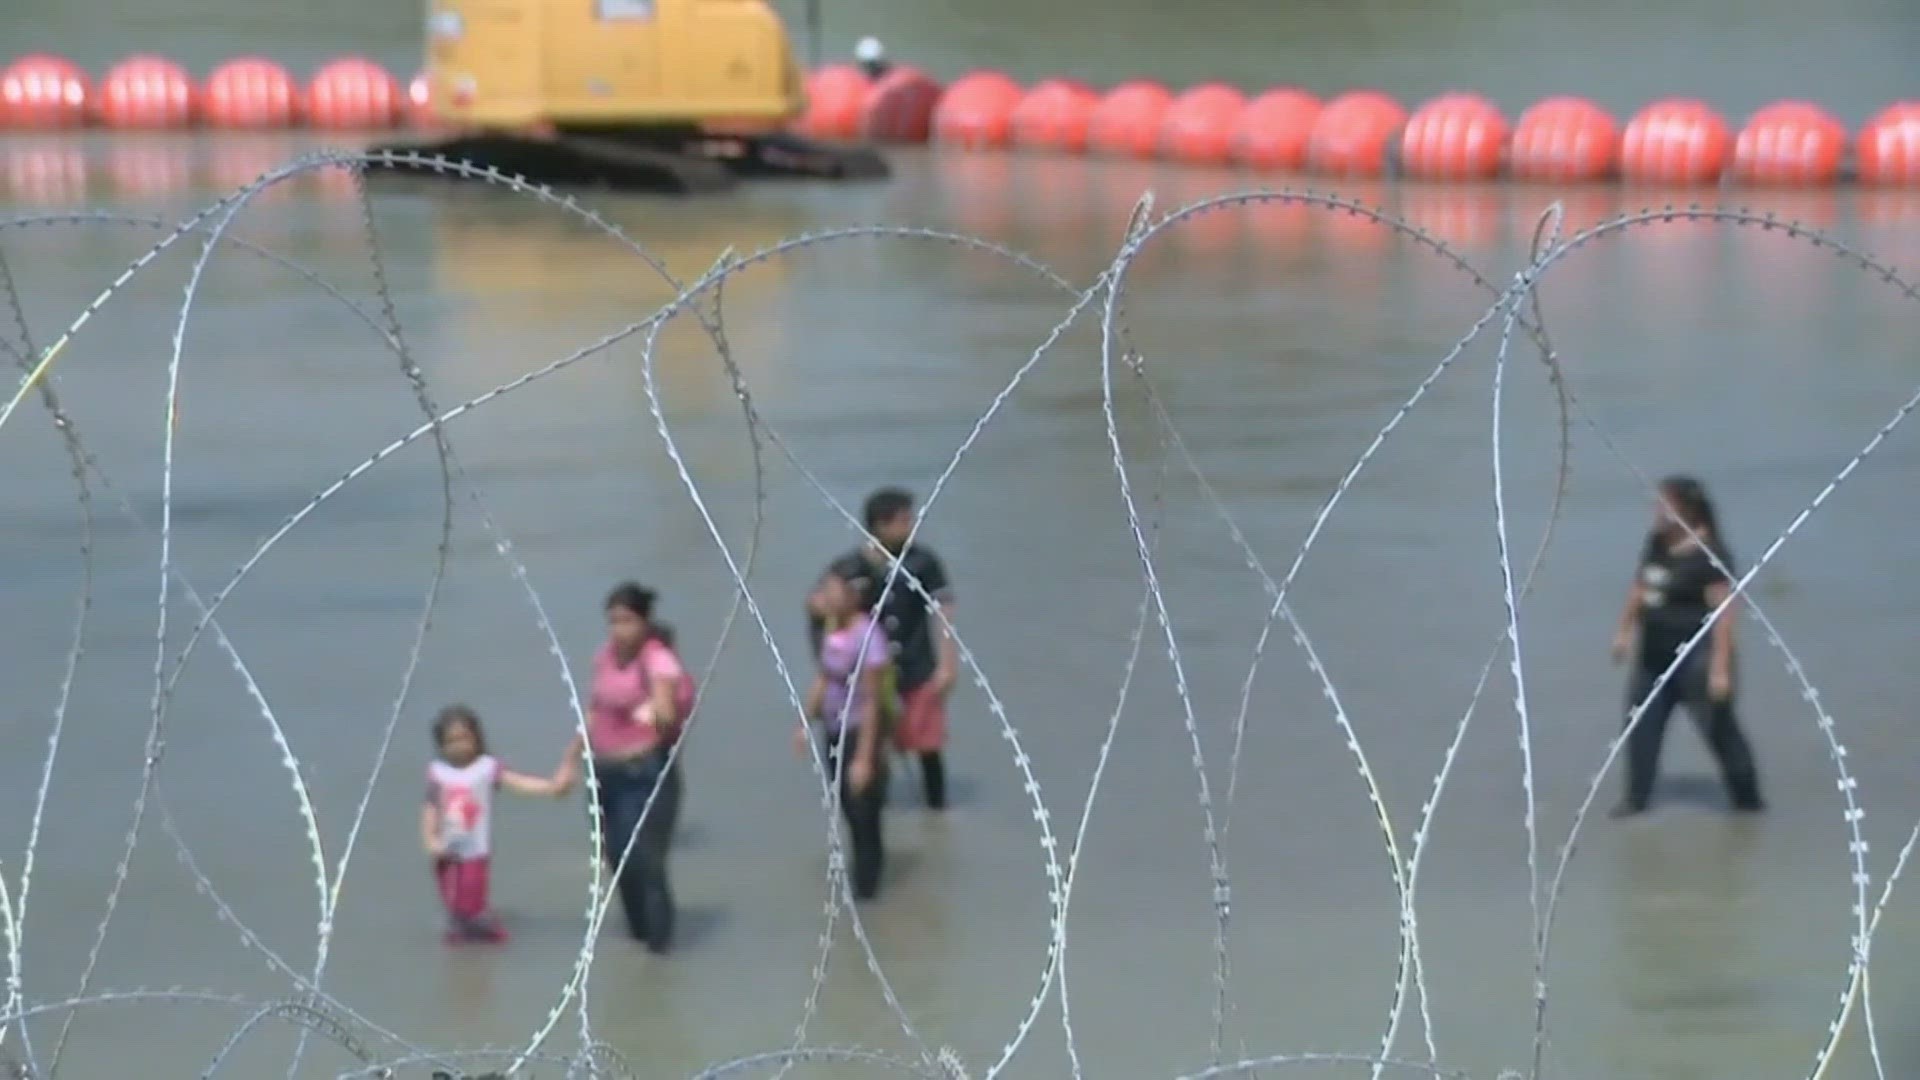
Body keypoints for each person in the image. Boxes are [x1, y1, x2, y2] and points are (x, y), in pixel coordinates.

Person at [1608, 475, 1764, 817]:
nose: (1657, 510)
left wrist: (1721, 670)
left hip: (1697, 662)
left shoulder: (1710, 554)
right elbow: (1639, 588)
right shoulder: (1657, 542)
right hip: (1652, 659)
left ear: (1688, 509)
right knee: (1639, 730)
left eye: (1665, 504)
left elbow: (1725, 615)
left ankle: (1748, 803)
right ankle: (1635, 802)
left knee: (1720, 733)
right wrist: (1624, 633)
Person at [559, 582, 696, 954]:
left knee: (647, 860)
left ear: (645, 622)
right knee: (616, 857)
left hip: (645, 772)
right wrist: (569, 761)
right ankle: (638, 938)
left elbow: (667, 716)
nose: (619, 629)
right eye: (613, 621)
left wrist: (660, 712)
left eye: (627, 621)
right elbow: (593, 712)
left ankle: (660, 948)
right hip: (604, 770)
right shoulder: (604, 657)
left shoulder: (658, 661)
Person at [808, 487, 958, 810]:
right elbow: (819, 609)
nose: (911, 525)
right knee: (874, 746)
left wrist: (947, 665)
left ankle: (937, 811)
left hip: (918, 667)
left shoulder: (923, 562)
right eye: (904, 520)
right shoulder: (851, 568)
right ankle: (875, 806)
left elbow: (944, 613)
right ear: (880, 525)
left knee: (928, 745)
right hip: (870, 675)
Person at [423, 704, 572, 944]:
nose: (459, 746)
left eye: (464, 738)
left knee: (472, 902)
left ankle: (492, 936)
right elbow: (430, 808)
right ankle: (460, 942)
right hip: (445, 851)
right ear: (441, 744)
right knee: (453, 905)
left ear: (476, 738)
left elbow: (518, 783)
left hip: (475, 851)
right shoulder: (438, 773)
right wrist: (431, 840)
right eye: (451, 741)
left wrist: (551, 787)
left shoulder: (486, 769)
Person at [801, 564, 893, 900]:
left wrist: (865, 759)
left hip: (861, 733)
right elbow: (825, 677)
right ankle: (862, 883)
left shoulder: (869, 638)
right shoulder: (833, 629)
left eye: (830, 589)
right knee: (849, 812)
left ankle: (869, 893)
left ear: (854, 595)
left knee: (865, 816)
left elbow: (871, 703)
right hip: (834, 730)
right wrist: (805, 721)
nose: (822, 595)